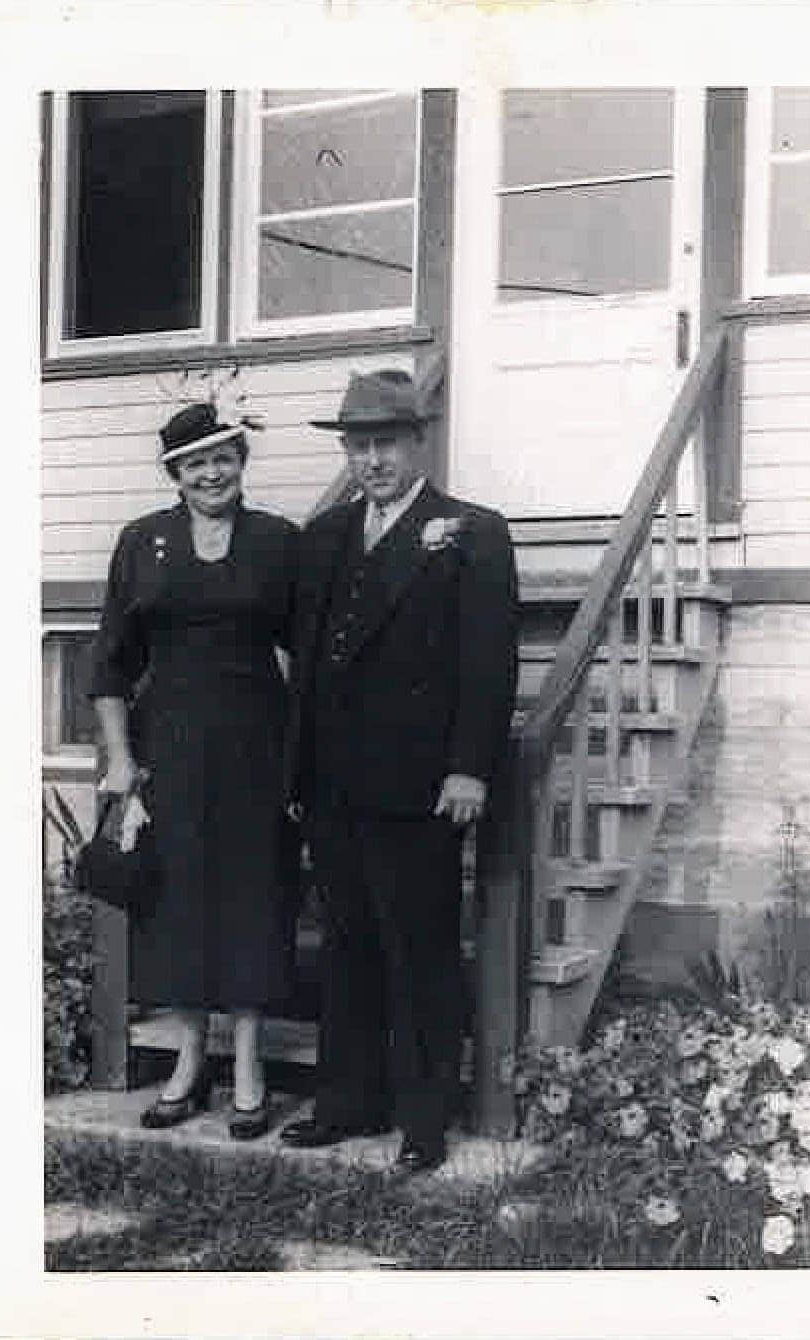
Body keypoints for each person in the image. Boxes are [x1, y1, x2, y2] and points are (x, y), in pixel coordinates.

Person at [281, 368, 519, 1172]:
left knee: (418, 944)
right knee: (346, 943)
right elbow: (305, 658)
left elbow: (488, 664)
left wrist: (469, 770)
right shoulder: (324, 537)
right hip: (331, 782)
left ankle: (424, 1119)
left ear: (419, 443)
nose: (373, 460)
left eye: (387, 443)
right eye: (360, 446)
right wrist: (294, 772)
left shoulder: (471, 532)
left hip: (421, 785)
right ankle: (347, 1102)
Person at [88, 400, 300, 1140]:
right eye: (196, 463)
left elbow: (308, 655)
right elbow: (111, 664)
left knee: (252, 901)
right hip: (169, 753)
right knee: (175, 908)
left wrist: (303, 758)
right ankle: (187, 1063)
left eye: (225, 457)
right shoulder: (142, 542)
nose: (212, 472)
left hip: (256, 749)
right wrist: (121, 761)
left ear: (242, 462)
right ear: (175, 474)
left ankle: (248, 1068)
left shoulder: (278, 541)